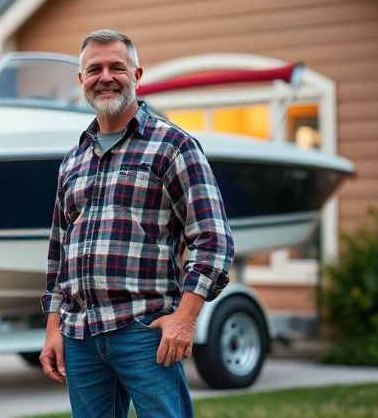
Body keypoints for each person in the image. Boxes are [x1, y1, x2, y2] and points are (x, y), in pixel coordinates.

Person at [39, 29, 234, 417]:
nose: (105, 76)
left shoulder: (173, 146)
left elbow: (213, 240)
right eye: (94, 69)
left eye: (117, 67)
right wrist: (53, 329)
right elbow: (59, 254)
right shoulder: (73, 160)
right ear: (82, 81)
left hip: (143, 332)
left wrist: (185, 318)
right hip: (80, 336)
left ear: (137, 75)